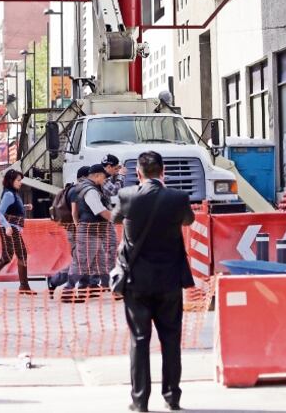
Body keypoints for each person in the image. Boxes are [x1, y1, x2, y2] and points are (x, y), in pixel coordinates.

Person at [113, 151, 194, 412]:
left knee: (139, 340)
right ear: (163, 172)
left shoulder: (128, 196)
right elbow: (188, 220)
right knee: (171, 339)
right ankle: (172, 398)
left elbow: (115, 217)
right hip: (170, 280)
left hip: (136, 281)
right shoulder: (178, 198)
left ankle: (140, 401)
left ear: (138, 173)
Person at [0, 169, 36, 294]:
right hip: (10, 228)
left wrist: (25, 207)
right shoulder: (9, 194)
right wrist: (7, 226)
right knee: (13, 256)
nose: (20, 183)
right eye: (18, 180)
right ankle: (23, 286)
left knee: (8, 256)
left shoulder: (12, 193)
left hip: (11, 228)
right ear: (11, 181)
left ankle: (23, 286)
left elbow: (12, 209)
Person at [72, 164, 115, 297]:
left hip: (94, 230)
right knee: (81, 263)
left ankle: (102, 287)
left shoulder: (92, 188)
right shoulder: (89, 190)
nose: (105, 181)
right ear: (96, 175)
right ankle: (63, 285)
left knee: (99, 261)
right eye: (104, 177)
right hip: (89, 230)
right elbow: (99, 210)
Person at [47, 166, 89, 295]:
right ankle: (55, 281)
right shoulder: (75, 191)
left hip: (77, 229)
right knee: (80, 261)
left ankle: (83, 287)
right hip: (75, 230)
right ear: (84, 177)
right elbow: (74, 212)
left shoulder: (78, 190)